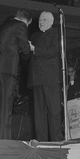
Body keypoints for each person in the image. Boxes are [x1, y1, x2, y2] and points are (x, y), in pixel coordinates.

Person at [0, 9, 34, 139]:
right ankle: (4, 139)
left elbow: (7, 45)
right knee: (6, 105)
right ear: (26, 20)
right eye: (28, 24)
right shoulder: (20, 25)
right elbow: (25, 51)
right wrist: (28, 48)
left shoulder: (1, 27)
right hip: (7, 71)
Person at [27, 11, 62, 142]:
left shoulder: (55, 33)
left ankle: (56, 141)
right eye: (40, 20)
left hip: (50, 78)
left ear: (51, 22)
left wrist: (34, 49)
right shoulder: (34, 36)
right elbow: (28, 54)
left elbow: (53, 51)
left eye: (44, 20)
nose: (41, 22)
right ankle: (41, 142)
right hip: (36, 78)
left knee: (54, 111)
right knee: (39, 114)